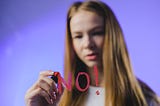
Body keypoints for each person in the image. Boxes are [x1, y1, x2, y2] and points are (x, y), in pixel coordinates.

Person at [25, 0, 160, 106]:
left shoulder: (145, 99)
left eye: (96, 33)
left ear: (113, 36)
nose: (87, 44)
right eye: (78, 36)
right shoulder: (58, 98)